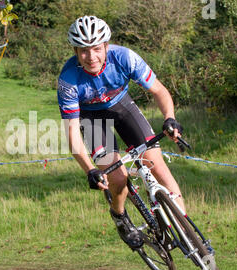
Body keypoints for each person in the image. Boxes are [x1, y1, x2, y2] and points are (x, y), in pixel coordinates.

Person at [57, 16, 186, 250]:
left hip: (122, 106)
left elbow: (159, 90)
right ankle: (119, 215)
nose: (91, 57)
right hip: (92, 117)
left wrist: (170, 118)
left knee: (156, 165)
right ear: (75, 51)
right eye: (83, 51)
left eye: (96, 48)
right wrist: (90, 170)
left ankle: (186, 231)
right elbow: (73, 134)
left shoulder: (125, 57)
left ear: (106, 45)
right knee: (118, 180)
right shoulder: (68, 81)